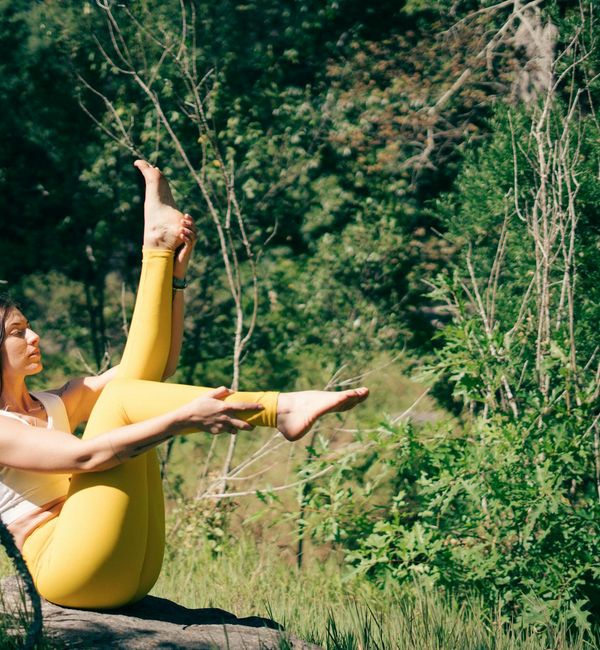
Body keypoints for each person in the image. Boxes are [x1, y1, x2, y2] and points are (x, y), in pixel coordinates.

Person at [0, 161, 369, 610]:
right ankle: (277, 408)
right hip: (65, 566)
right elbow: (86, 455)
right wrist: (179, 421)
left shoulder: (53, 402)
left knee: (126, 389)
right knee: (118, 400)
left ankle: (157, 250)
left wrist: (175, 276)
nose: (34, 337)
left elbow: (153, 368)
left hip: (125, 560)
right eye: (19, 332)